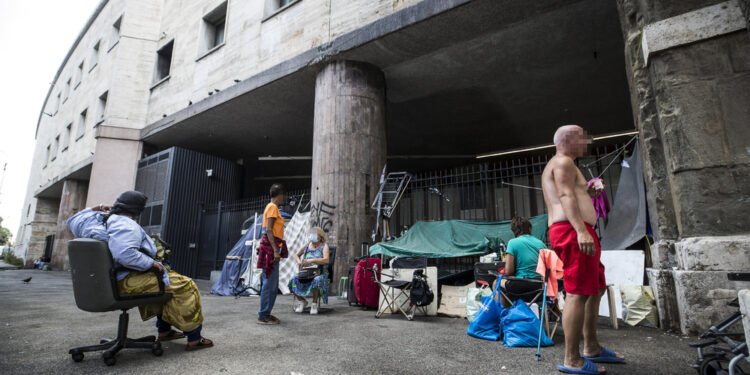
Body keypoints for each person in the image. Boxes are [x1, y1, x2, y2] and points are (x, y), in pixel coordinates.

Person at [67, 190, 213, 351]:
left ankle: (165, 332)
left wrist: (99, 207)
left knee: (166, 282)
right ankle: (195, 339)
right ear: (137, 211)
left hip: (105, 281)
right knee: (185, 285)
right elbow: (125, 254)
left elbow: (72, 219)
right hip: (125, 281)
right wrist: (151, 263)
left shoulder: (92, 221)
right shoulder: (126, 224)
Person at [542, 125, 624, 374]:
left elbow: (571, 192)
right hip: (571, 230)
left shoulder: (565, 164)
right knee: (578, 292)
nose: (587, 141)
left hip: (576, 229)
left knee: (595, 287)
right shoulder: (563, 161)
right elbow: (565, 195)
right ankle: (572, 359)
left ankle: (592, 347)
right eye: (582, 137)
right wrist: (581, 230)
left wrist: (586, 192)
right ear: (568, 139)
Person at [495, 216, 545, 308]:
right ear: (529, 228)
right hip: (540, 288)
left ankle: (504, 317)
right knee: (509, 292)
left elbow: (509, 271)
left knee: (496, 282)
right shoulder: (541, 243)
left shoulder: (513, 242)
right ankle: (515, 314)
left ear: (514, 230)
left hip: (522, 286)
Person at [256, 183, 288, 325]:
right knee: (269, 283)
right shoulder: (272, 207)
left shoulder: (273, 208)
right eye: (283, 195)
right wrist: (275, 250)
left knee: (272, 283)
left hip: (273, 246)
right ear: (279, 194)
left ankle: (266, 313)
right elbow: (269, 230)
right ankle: (263, 315)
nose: (283, 198)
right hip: (271, 248)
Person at [288, 226, 330, 315]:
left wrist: (312, 260)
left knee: (316, 280)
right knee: (292, 280)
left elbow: (326, 260)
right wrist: (299, 262)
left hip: (319, 272)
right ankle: (301, 301)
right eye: (312, 234)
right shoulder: (307, 246)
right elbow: (296, 255)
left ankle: (314, 304)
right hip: (306, 271)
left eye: (314, 234)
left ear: (320, 237)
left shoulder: (324, 246)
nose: (312, 236)